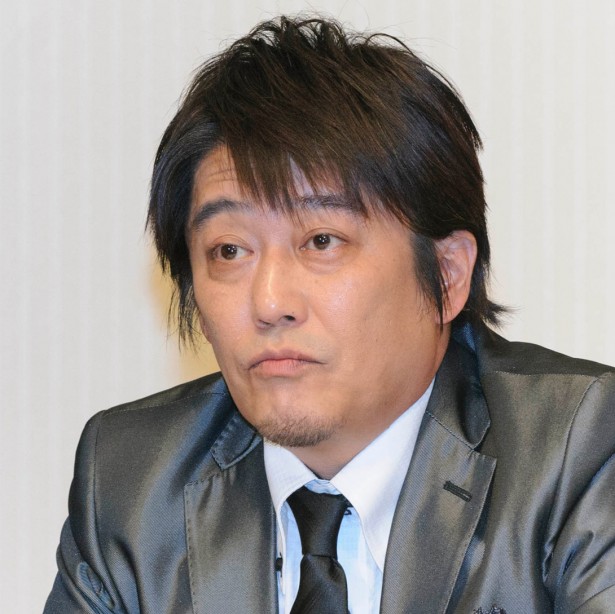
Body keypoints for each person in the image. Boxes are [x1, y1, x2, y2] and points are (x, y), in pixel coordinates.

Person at [45, 15, 615, 614]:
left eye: (321, 241)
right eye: (229, 251)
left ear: (447, 275)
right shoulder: (130, 483)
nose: (270, 303)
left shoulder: (579, 452)